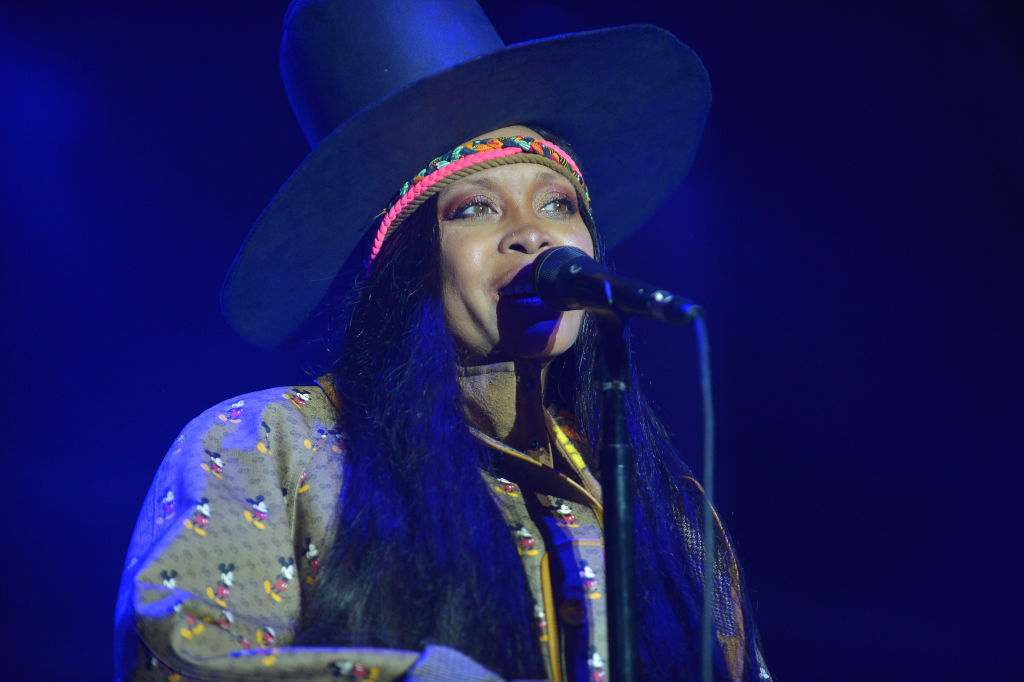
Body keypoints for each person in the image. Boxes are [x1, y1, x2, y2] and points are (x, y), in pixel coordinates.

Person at [115, 1, 772, 680]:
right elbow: (179, 665)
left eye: (558, 204)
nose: (533, 234)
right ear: (406, 268)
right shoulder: (266, 445)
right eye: (475, 209)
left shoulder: (666, 511)